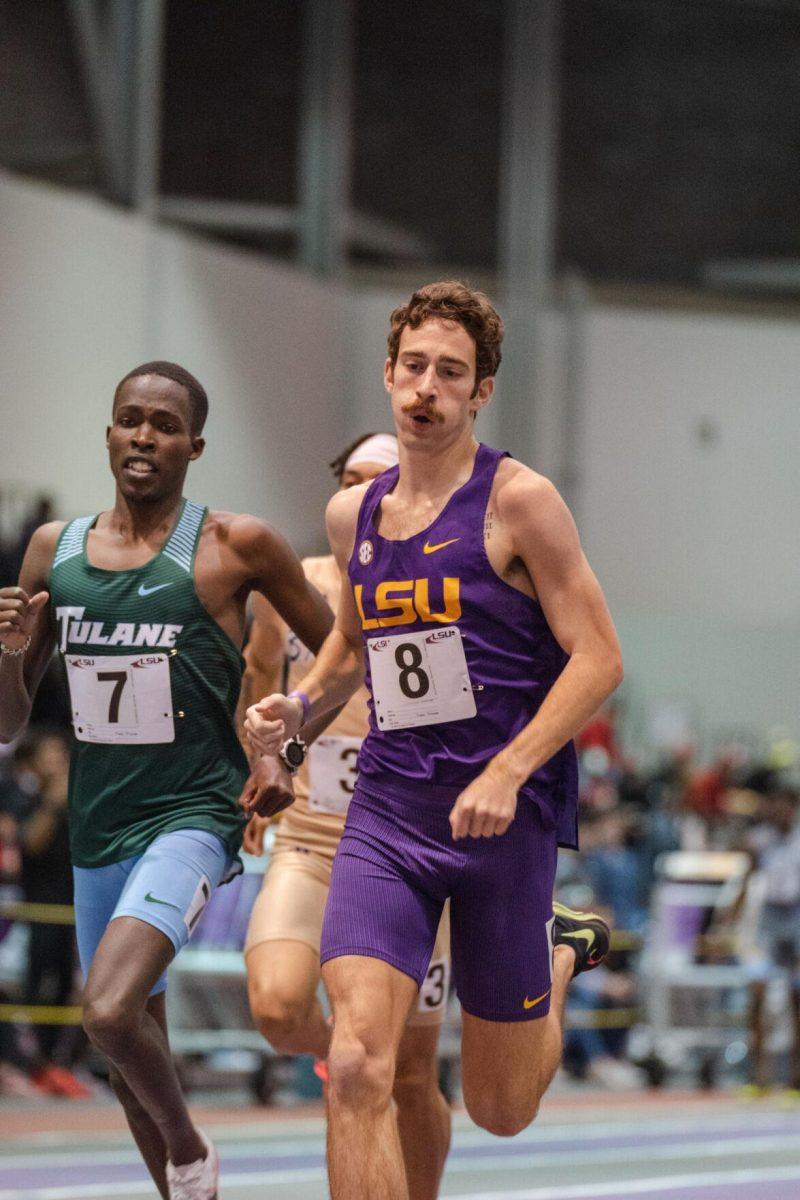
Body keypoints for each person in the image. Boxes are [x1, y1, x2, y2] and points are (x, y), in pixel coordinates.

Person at [245, 281, 624, 1199]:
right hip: (390, 817)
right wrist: (297, 709)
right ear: (388, 373)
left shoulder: (520, 501)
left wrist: (509, 766)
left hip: (504, 824)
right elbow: (350, 648)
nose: (427, 388)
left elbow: (600, 658)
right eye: (413, 366)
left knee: (500, 1107)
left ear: (480, 390)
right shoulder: (355, 516)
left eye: (450, 372)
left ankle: (561, 949)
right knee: (361, 1065)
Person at [0, 361, 332, 1200]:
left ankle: (191, 1152)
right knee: (127, 1042)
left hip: (190, 818)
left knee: (106, 1011)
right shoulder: (55, 552)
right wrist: (8, 654)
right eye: (129, 420)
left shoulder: (233, 545)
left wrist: (287, 746)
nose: (144, 436)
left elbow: (346, 654)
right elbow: (8, 723)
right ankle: (186, 1185)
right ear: (108, 431)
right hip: (96, 828)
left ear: (195, 444)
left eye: (164, 424)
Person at [242, 433, 451, 1200]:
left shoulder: (435, 587)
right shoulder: (291, 586)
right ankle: (354, 1050)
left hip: (407, 845)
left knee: (415, 1073)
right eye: (352, 482)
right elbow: (261, 675)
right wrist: (258, 766)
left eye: (382, 482)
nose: (364, 497)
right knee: (274, 1004)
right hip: (311, 833)